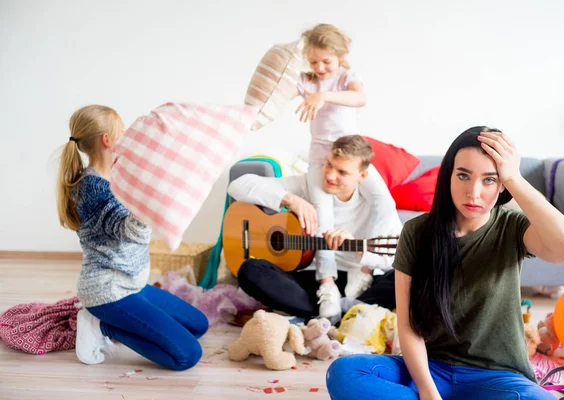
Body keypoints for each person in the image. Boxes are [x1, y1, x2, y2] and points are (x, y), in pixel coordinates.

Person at [326, 127, 564, 399]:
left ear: (501, 185)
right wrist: (428, 392)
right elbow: (409, 326)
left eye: (489, 180)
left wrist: (514, 177)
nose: (473, 192)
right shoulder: (416, 232)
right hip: (430, 369)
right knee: (344, 371)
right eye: (463, 176)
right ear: (448, 175)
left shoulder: (513, 228)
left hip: (497, 375)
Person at [56, 105, 209, 370]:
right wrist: (151, 197)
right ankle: (102, 326)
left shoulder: (117, 174)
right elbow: (131, 233)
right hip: (108, 291)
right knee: (187, 355)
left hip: (131, 283)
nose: (128, 136)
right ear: (108, 139)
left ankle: (114, 322)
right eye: (123, 131)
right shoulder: (93, 188)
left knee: (198, 325)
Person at [228, 135, 401, 318]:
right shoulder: (308, 184)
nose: (330, 175)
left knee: (410, 277)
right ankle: (346, 314)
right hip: (315, 284)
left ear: (362, 176)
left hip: (362, 283)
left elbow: (394, 258)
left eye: (342, 172)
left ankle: (339, 312)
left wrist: (359, 251)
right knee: (250, 270)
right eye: (329, 164)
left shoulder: (379, 204)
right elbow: (237, 185)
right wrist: (291, 200)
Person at [295, 23, 396, 305]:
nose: (320, 67)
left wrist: (323, 95)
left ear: (339, 57)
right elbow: (276, 93)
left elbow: (360, 98)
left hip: (350, 157)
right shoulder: (306, 80)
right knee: (323, 222)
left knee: (383, 201)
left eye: (326, 61)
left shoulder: (345, 77)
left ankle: (364, 268)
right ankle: (326, 284)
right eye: (313, 61)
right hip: (320, 162)